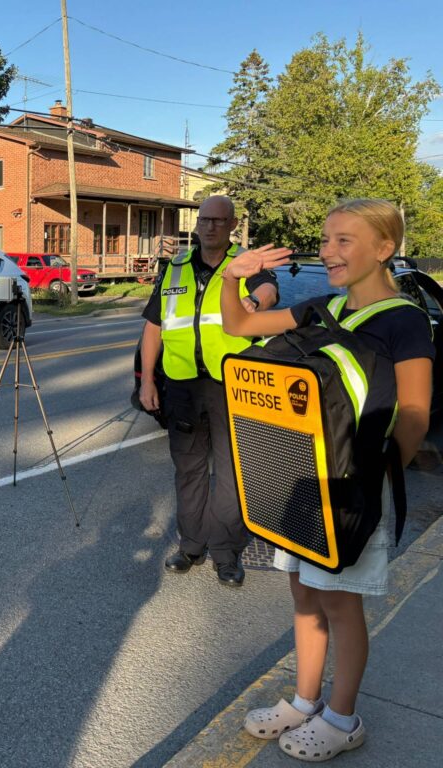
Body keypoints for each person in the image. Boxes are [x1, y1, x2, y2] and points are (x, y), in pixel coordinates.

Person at [219, 199, 433, 761]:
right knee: (304, 592)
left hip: (355, 485)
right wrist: (232, 276)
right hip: (302, 481)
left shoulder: (404, 319)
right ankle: (303, 700)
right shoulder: (323, 306)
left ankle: (343, 718)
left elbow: (415, 413)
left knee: (341, 603)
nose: (328, 250)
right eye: (325, 239)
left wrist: (378, 477)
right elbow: (239, 324)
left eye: (343, 240)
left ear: (384, 249)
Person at [139, 195, 278, 587]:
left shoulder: (246, 265)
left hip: (230, 385)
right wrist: (149, 379)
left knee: (232, 472)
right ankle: (192, 544)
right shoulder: (175, 268)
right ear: (196, 224)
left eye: (219, 220)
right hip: (181, 386)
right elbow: (154, 327)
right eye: (205, 220)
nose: (211, 226)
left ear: (233, 224)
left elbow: (269, 291)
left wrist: (253, 298)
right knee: (188, 468)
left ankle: (225, 551)